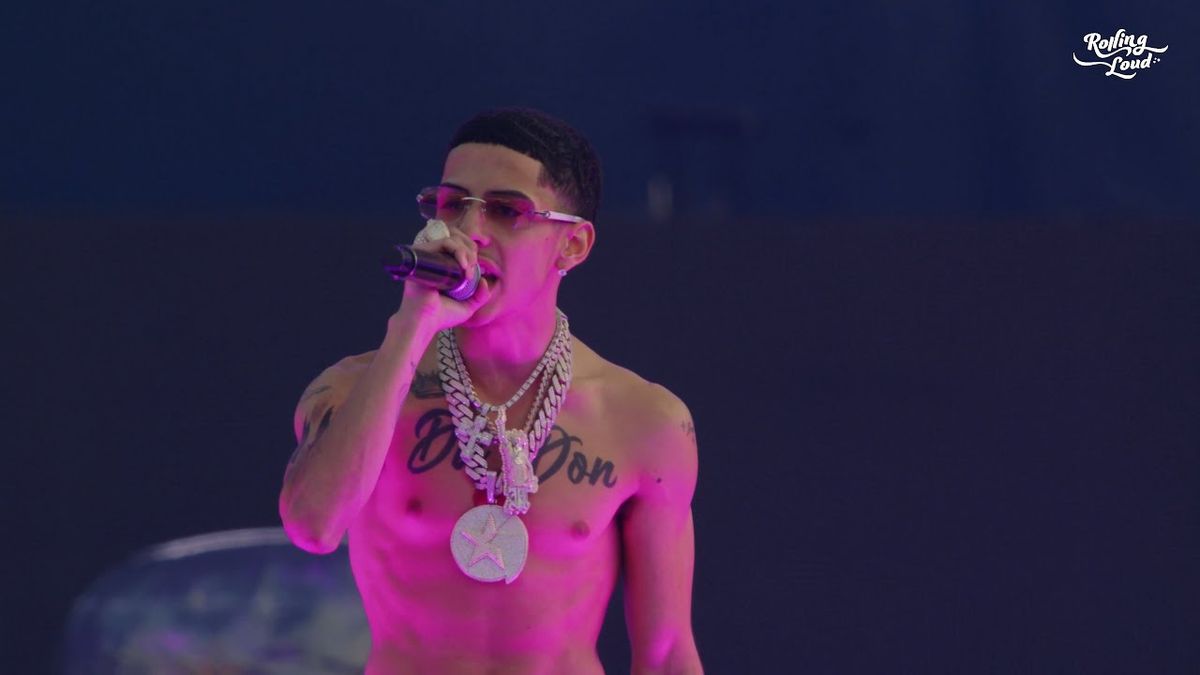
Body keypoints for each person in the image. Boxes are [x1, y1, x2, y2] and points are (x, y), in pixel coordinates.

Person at [279, 108, 702, 674]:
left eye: (506, 210)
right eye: (453, 204)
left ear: (573, 245)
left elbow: (667, 652)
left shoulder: (643, 420)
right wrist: (410, 329)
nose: (471, 231)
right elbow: (312, 526)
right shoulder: (358, 389)